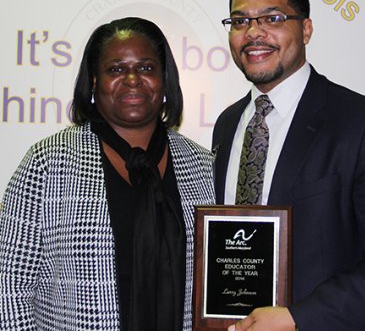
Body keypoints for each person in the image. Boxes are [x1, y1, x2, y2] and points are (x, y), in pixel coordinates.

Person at [212, 0, 365, 331]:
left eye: (273, 18)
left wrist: (299, 319)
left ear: (307, 29)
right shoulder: (227, 124)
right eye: (239, 21)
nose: (254, 32)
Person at [0, 17, 215, 331]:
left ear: (164, 80)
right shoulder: (47, 162)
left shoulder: (202, 165)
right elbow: (10, 285)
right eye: (115, 69)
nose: (132, 79)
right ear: (94, 82)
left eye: (146, 68)